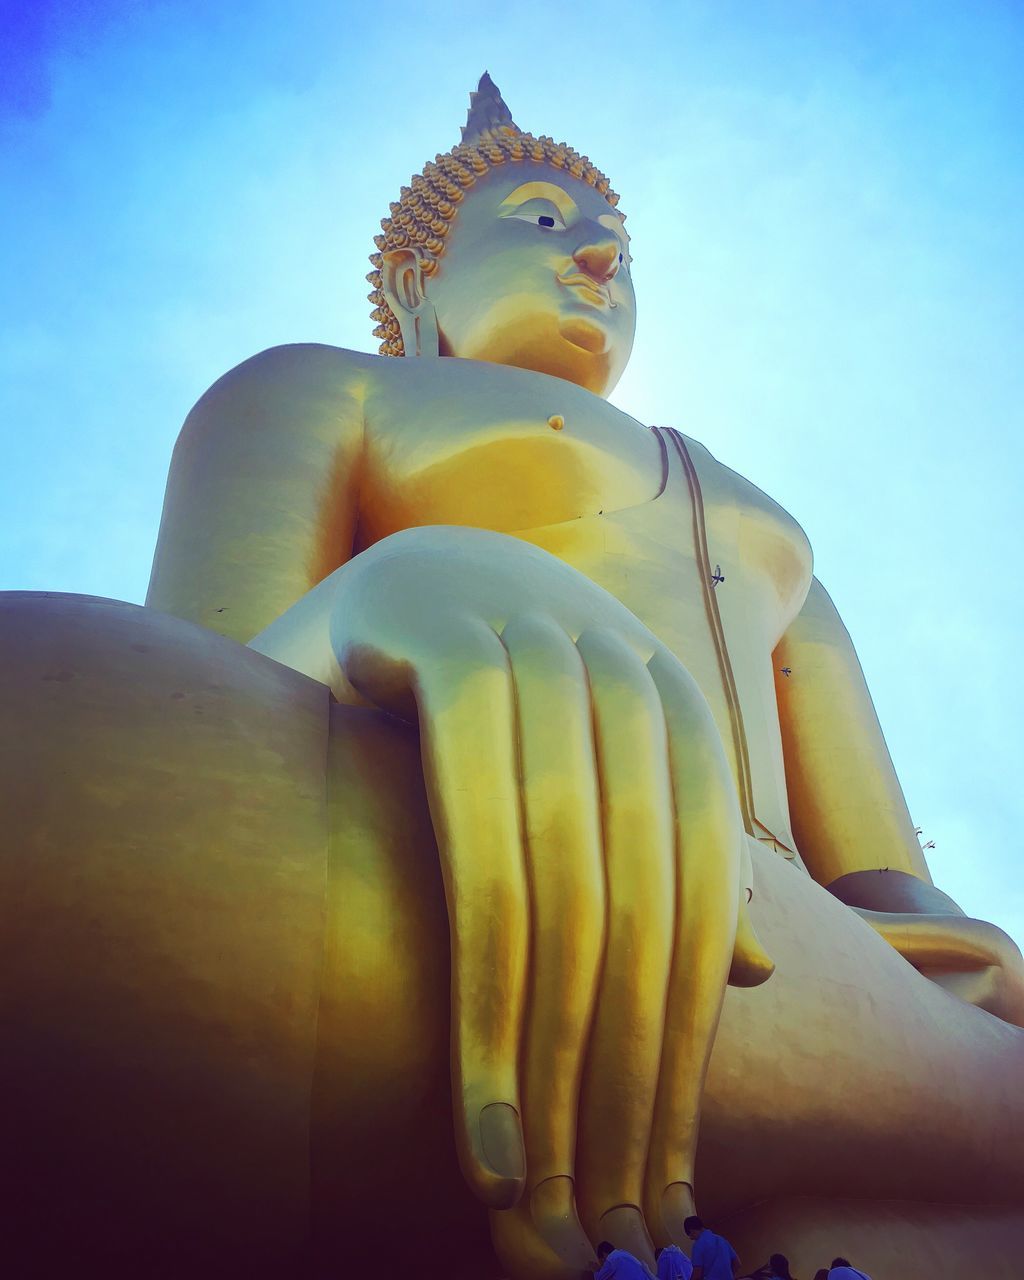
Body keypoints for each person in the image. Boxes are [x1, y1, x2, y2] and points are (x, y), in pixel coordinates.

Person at [4, 69, 1024, 1280]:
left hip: (806, 962)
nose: (595, 254)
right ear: (415, 279)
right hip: (442, 852)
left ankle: (904, 1157)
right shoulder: (323, 390)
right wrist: (382, 595)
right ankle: (927, 1176)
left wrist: (974, 983)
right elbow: (195, 702)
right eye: (540, 219)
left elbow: (891, 887)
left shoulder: (770, 534)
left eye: (616, 242)